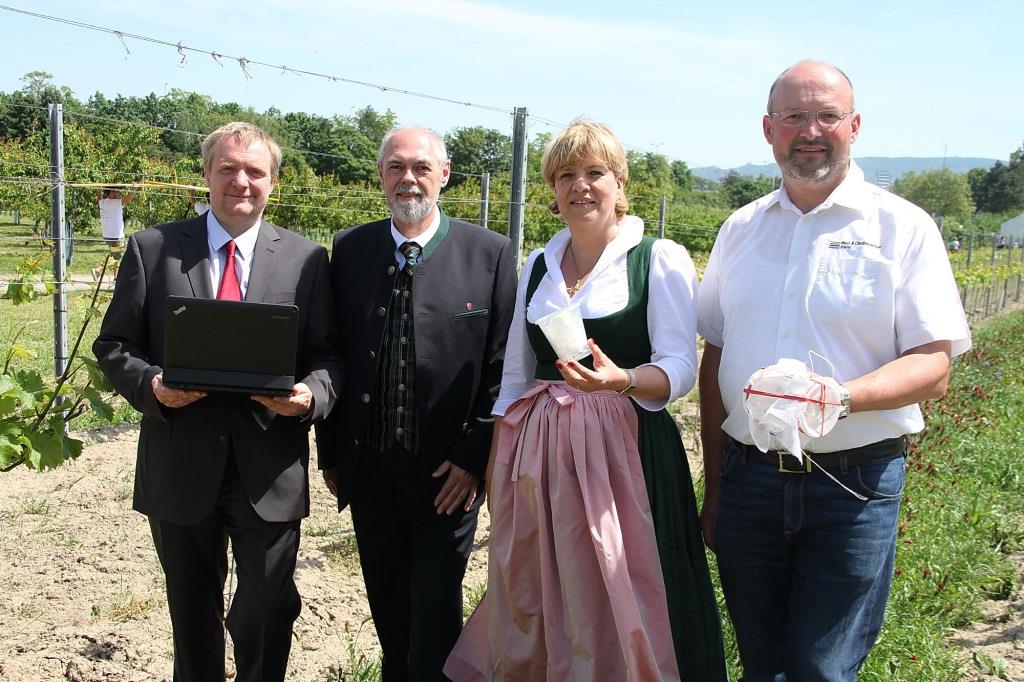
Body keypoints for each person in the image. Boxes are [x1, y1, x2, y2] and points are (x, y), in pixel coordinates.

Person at [696, 60, 971, 681]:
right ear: (769, 129)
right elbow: (715, 352)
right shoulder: (740, 230)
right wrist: (715, 488)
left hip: (852, 484)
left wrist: (838, 398)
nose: (810, 130)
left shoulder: (903, 227)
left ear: (855, 125)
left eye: (827, 115)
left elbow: (934, 366)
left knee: (822, 667)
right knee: (760, 663)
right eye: (794, 116)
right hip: (750, 480)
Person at [445, 120, 727, 681]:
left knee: (631, 581)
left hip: (629, 453)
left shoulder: (656, 258)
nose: (581, 186)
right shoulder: (536, 267)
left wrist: (620, 381)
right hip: (543, 455)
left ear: (620, 185)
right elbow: (516, 378)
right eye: (566, 175)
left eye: (595, 173)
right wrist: (504, 465)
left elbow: (679, 368)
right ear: (552, 192)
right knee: (548, 584)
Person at [93, 121, 341, 682]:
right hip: (181, 463)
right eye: (228, 168)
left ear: (273, 181)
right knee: (192, 613)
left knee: (267, 608)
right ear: (206, 173)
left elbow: (330, 356)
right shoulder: (153, 249)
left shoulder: (306, 259)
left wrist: (309, 397)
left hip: (268, 466)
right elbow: (113, 345)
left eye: (255, 171)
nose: (241, 181)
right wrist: (153, 387)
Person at [314, 126, 517, 680]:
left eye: (421, 167)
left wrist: (474, 456)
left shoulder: (491, 254)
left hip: (446, 476)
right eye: (396, 166)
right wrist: (331, 454)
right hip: (370, 468)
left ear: (444, 175)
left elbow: (504, 366)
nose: (409, 178)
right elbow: (332, 351)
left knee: (435, 616)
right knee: (387, 609)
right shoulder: (350, 249)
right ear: (380, 176)